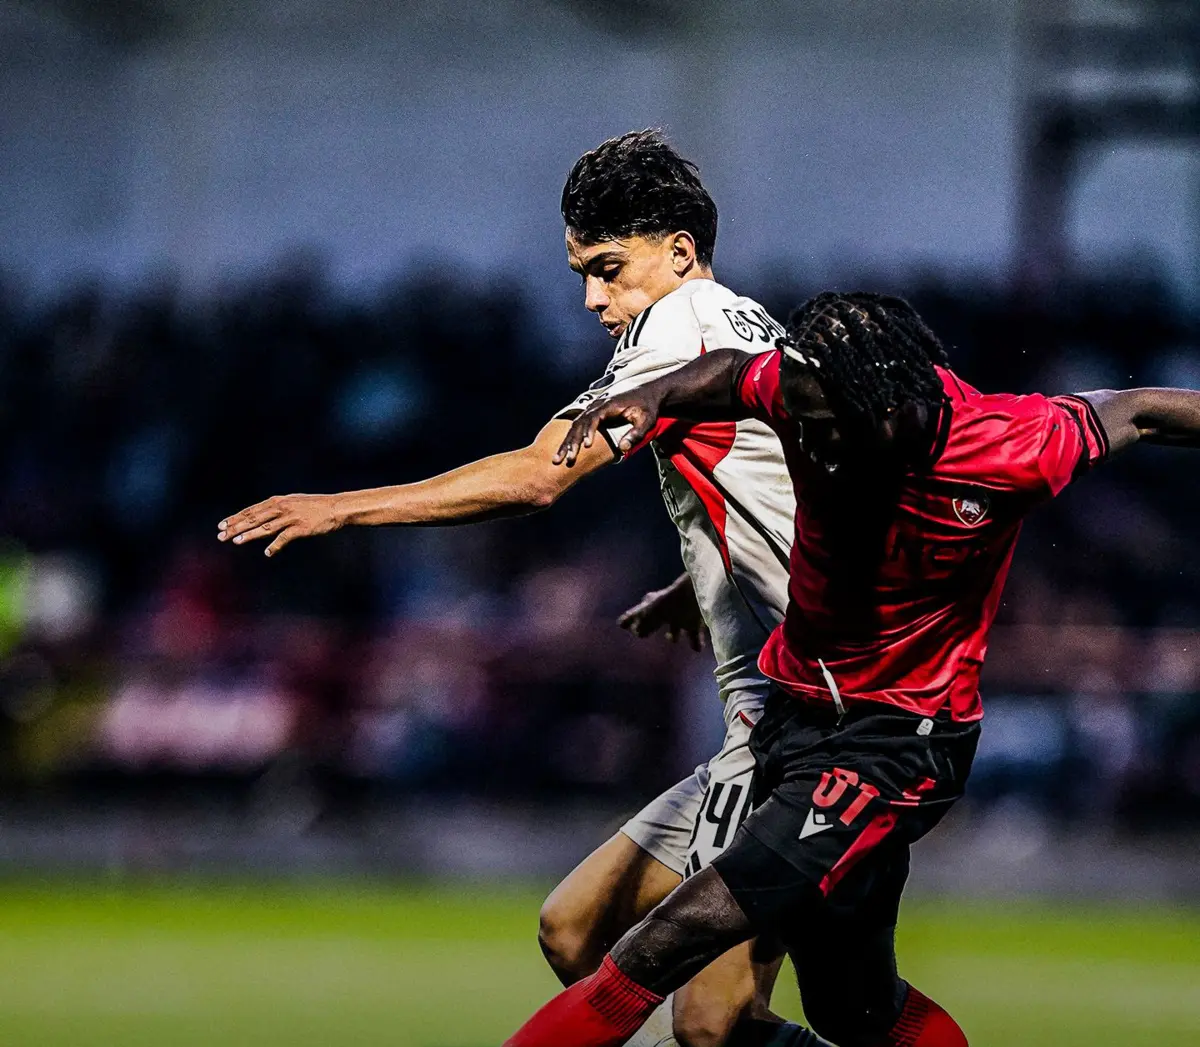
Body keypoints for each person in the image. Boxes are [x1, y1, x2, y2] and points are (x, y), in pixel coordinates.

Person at [218, 130, 825, 1047]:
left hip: (797, 733)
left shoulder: (677, 328)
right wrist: (699, 579)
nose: (592, 297)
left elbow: (542, 474)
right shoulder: (748, 325)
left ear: (680, 253)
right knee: (576, 927)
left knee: (713, 1025)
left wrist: (342, 508)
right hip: (778, 723)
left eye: (609, 268)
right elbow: (794, 489)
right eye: (582, 271)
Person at [504, 291, 1200, 1047]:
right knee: (849, 1009)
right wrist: (650, 393)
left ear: (902, 399)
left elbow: (1140, 411)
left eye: (839, 425)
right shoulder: (807, 390)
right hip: (795, 724)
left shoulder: (1011, 441)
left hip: (898, 744)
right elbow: (730, 372)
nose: (822, 444)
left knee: (665, 942)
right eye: (815, 418)